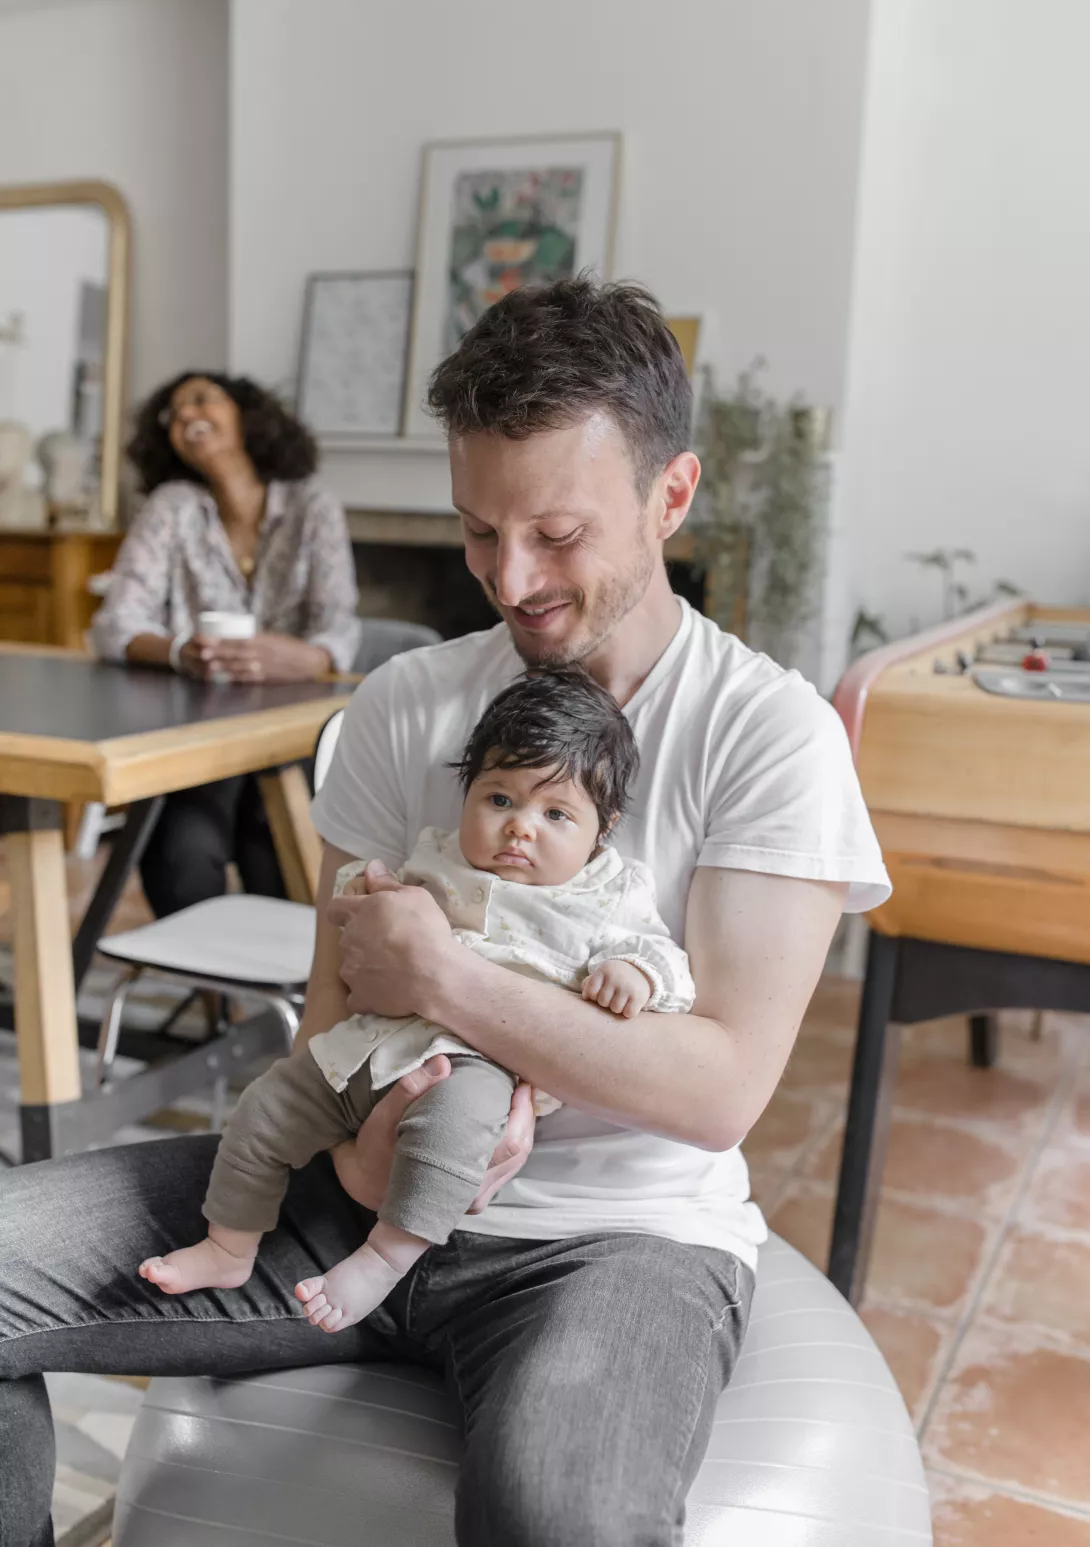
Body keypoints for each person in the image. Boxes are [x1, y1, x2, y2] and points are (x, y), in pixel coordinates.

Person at [0, 278, 889, 1547]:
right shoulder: (402, 707)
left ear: (671, 497)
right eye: (479, 532)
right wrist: (365, 1160)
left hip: (610, 1242)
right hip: (345, 1196)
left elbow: (716, 1090)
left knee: (558, 1516)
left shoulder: (768, 736)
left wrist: (454, 982)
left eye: (557, 535)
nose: (510, 580)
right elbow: (329, 1027)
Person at [137, 669, 695, 1332]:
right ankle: (229, 1246)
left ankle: (385, 1255)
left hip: (477, 1061)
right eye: (498, 798)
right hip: (371, 1042)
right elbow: (370, 909)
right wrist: (365, 893)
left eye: (555, 814)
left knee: (449, 1135)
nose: (519, 828)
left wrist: (635, 970)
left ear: (603, 829)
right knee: (265, 1107)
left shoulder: (607, 894)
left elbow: (668, 961)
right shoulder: (436, 854)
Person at [91, 371, 361, 915]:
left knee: (277, 844)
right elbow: (114, 624)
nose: (185, 416)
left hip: (289, 733)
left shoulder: (312, 507)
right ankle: (219, 999)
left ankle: (279, 990)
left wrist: (308, 658)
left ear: (246, 414)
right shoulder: (172, 507)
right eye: (172, 413)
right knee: (182, 854)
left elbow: (339, 626)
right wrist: (178, 651)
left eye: (200, 400)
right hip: (196, 729)